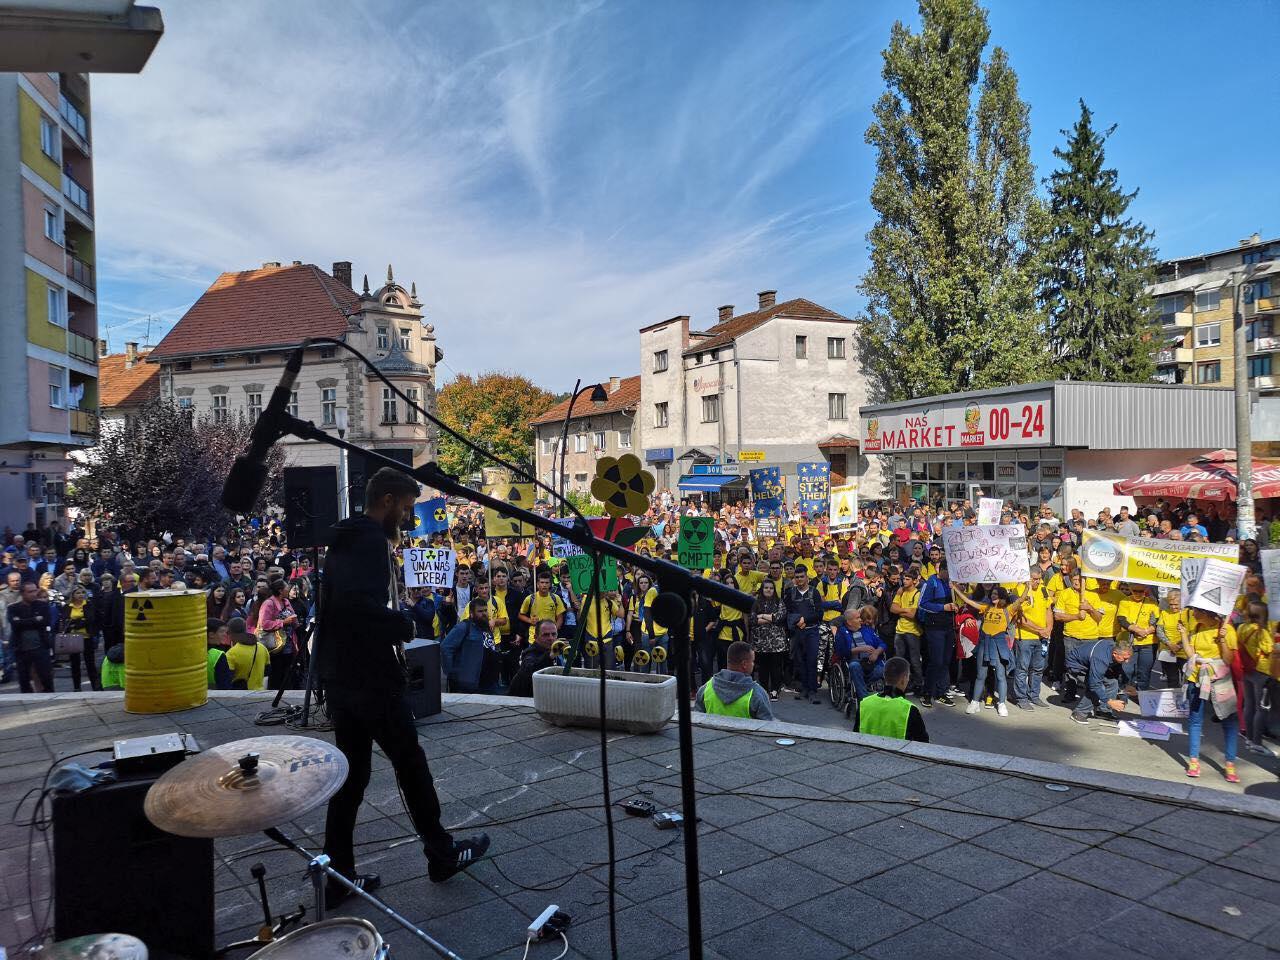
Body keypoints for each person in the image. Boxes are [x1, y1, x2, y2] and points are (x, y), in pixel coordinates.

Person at [319, 467, 489, 906]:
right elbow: (358, 608)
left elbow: (340, 608)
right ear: (390, 500)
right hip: (369, 679)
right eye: (409, 506)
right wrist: (400, 621)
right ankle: (441, 854)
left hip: (342, 679)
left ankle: (337, 875)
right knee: (410, 765)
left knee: (352, 778)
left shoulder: (344, 539)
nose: (410, 516)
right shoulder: (371, 540)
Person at [1179, 608, 1239, 782]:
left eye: (1196, 610)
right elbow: (1191, 654)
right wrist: (1183, 634)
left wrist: (1221, 639)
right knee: (1195, 719)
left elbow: (1228, 659)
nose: (1193, 613)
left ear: (1206, 612)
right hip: (1196, 678)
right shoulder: (1197, 627)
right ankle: (1194, 762)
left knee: (1229, 721)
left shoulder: (1227, 629)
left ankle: (1230, 764)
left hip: (1220, 678)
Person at [955, 585, 1019, 717]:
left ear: (1001, 596)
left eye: (996, 594)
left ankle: (1001, 704)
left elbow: (1021, 599)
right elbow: (969, 602)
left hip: (999, 644)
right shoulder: (986, 607)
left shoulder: (1009, 609)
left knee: (1001, 676)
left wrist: (1027, 586)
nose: (993, 596)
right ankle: (975, 702)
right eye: (992, 594)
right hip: (984, 642)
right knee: (980, 675)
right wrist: (955, 589)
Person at [694, 639, 774, 720]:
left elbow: (698, 721)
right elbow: (768, 727)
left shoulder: (705, 689)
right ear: (744, 664)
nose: (753, 664)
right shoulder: (757, 693)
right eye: (752, 661)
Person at [854, 656, 929, 742]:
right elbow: (923, 744)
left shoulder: (864, 704)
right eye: (908, 676)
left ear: (884, 675)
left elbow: (855, 736)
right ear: (904, 679)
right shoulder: (910, 709)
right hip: (897, 754)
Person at [1065, 637, 1133, 725]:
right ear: (1115, 654)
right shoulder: (1101, 659)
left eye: (1128, 658)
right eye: (1125, 658)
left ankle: (1103, 711)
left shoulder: (1113, 649)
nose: (1127, 661)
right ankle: (1079, 713)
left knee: (1112, 682)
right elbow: (1094, 684)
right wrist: (1109, 701)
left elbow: (1117, 670)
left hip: (1090, 663)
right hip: (1076, 665)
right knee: (1097, 687)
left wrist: (1124, 687)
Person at [916, 561, 956, 706]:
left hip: (948, 627)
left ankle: (941, 692)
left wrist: (956, 591)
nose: (950, 576)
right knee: (936, 661)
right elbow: (922, 604)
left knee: (946, 661)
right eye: (948, 573)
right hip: (934, 627)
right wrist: (942, 607)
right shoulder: (931, 582)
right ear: (943, 570)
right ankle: (927, 692)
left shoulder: (951, 583)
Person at [1012, 568, 1053, 709]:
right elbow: (1019, 619)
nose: (1037, 581)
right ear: (1027, 578)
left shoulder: (1043, 589)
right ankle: (1021, 698)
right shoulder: (1019, 590)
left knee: (1038, 668)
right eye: (1034, 579)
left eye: (1039, 578)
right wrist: (1039, 630)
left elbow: (1049, 610)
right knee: (1022, 668)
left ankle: (1034, 696)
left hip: (1042, 638)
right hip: (1025, 637)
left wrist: (1049, 629)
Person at [6, 581, 53, 693]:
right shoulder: (13, 608)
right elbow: (15, 623)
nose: (34, 594)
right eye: (30, 592)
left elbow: (45, 621)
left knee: (46, 677)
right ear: (22, 593)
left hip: (41, 646)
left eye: (35, 590)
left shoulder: (42, 605)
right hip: (21, 648)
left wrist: (22, 621)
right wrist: (35, 620)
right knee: (24, 679)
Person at [441, 599, 492, 693]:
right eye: (480, 611)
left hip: (485, 681)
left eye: (485, 610)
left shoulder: (486, 627)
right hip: (465, 682)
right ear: (471, 613)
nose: (484, 613)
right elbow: (445, 647)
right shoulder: (463, 627)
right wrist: (451, 672)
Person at [750, 578, 788, 701]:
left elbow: (779, 617)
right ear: (762, 589)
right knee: (763, 667)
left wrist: (761, 615)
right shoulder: (756, 602)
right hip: (760, 641)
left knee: (776, 667)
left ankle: (775, 690)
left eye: (771, 588)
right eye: (766, 587)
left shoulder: (779, 602)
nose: (768, 590)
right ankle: (764, 689)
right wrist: (770, 617)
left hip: (777, 642)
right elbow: (752, 619)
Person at [507, 619, 558, 698]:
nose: (551, 638)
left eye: (554, 634)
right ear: (535, 637)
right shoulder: (530, 652)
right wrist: (549, 656)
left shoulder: (554, 650)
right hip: (522, 702)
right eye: (546, 635)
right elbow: (530, 669)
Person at [61, 585, 99, 691]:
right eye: (78, 593)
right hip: (72, 638)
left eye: (82, 592)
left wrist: (76, 623)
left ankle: (95, 686)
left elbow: (90, 619)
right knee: (75, 664)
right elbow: (65, 621)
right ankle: (77, 687)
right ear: (72, 595)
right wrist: (81, 620)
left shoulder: (89, 604)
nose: (81, 595)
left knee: (90, 663)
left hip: (86, 637)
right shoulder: (67, 606)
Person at [223, 616, 268, 691]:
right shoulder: (262, 648)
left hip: (241, 695)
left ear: (230, 633)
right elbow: (267, 671)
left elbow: (227, 678)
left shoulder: (231, 653)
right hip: (260, 693)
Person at [206, 616, 234, 690]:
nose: (225, 635)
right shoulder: (218, 655)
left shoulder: (192, 652)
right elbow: (225, 686)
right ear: (211, 634)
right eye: (221, 631)